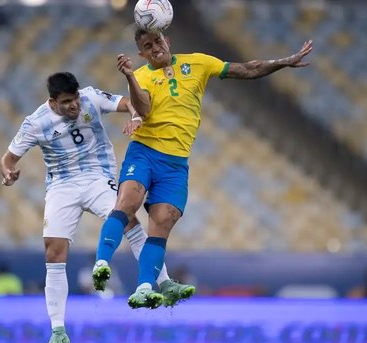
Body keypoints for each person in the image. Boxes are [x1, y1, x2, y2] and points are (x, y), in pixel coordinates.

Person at [92, 28, 313, 309]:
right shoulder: (143, 75)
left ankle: (145, 287)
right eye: (147, 46)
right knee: (127, 203)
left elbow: (247, 69)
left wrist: (284, 62)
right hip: (145, 153)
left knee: (161, 222)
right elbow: (144, 110)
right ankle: (101, 263)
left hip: (175, 164)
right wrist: (129, 76)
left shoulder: (198, 62)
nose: (155, 48)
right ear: (142, 54)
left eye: (157, 41)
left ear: (167, 40)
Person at [0, 72, 192, 343]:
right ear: (53, 102)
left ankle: (163, 283)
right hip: (62, 185)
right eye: (66, 102)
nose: (74, 105)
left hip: (97, 176)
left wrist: (136, 115)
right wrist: (8, 171)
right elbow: (8, 158)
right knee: (53, 250)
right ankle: (58, 332)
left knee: (129, 220)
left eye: (75, 98)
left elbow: (128, 102)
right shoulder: (35, 123)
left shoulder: (90, 97)